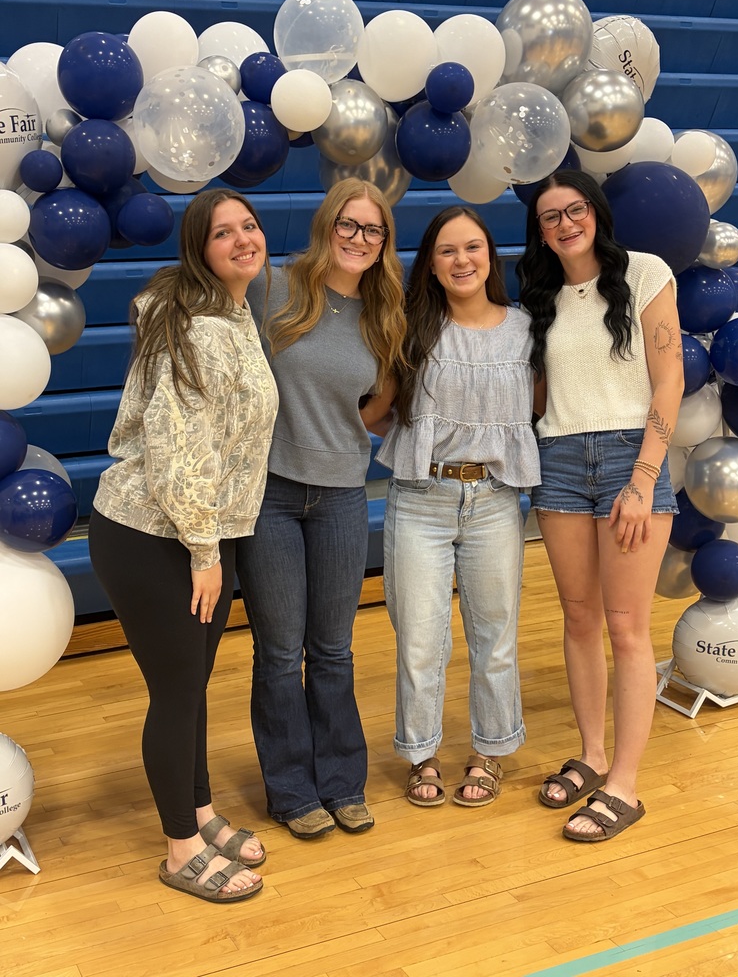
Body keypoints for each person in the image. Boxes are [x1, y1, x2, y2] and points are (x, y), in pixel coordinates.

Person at [89, 189, 278, 902]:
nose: (241, 240)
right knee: (175, 694)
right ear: (200, 250)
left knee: (191, 690)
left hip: (200, 532)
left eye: (249, 227)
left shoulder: (233, 315)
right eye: (222, 233)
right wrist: (204, 551)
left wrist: (211, 542)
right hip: (153, 533)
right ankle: (179, 852)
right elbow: (175, 447)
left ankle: (197, 814)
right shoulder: (197, 326)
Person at [236, 178, 406, 839]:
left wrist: (335, 441)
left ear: (383, 242)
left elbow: (377, 406)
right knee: (280, 652)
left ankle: (342, 783)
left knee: (332, 649)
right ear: (326, 224)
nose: (359, 239)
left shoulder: (383, 313)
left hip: (339, 495)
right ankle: (290, 789)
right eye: (349, 225)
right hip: (271, 495)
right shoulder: (273, 289)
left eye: (373, 230)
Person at [517, 169, 684, 842]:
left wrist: (643, 477)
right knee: (579, 618)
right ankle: (590, 755)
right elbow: (537, 395)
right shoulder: (539, 297)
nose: (564, 223)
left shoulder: (645, 272)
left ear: (595, 211)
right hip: (558, 457)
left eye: (574, 209)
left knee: (626, 627)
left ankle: (624, 784)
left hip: (628, 457)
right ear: (540, 229)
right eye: (550, 216)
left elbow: (669, 378)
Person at [377, 205, 540, 808]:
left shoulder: (525, 330)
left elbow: (538, 410)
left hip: (495, 502)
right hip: (421, 499)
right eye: (447, 250)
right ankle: (422, 753)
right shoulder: (411, 328)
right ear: (432, 264)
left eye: (473, 247)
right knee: (420, 639)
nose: (462, 260)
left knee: (495, 635)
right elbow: (379, 409)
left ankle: (490, 749)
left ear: (489, 256)